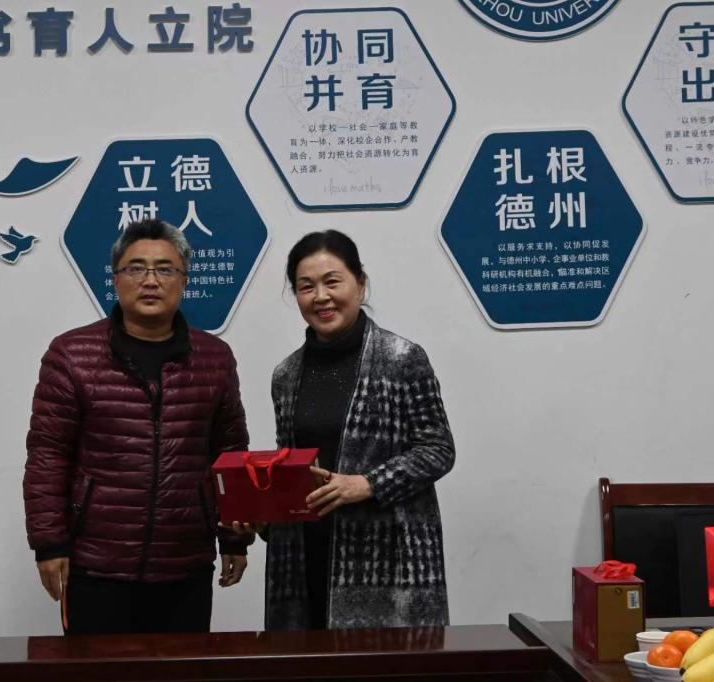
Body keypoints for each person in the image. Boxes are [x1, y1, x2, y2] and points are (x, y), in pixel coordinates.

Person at [23, 219, 251, 635]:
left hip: (185, 563)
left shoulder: (214, 358)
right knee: (95, 669)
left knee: (182, 668)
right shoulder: (72, 354)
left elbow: (230, 454)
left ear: (184, 280)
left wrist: (234, 538)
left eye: (165, 269)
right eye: (136, 268)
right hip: (96, 564)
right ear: (115, 279)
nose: (150, 280)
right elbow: (48, 456)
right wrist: (49, 543)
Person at [264, 229, 455, 630]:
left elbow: (438, 448)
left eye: (332, 281)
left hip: (386, 559)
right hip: (305, 557)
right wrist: (260, 512)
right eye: (306, 286)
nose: (321, 297)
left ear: (360, 283)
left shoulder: (402, 358)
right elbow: (293, 467)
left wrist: (368, 483)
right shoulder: (286, 374)